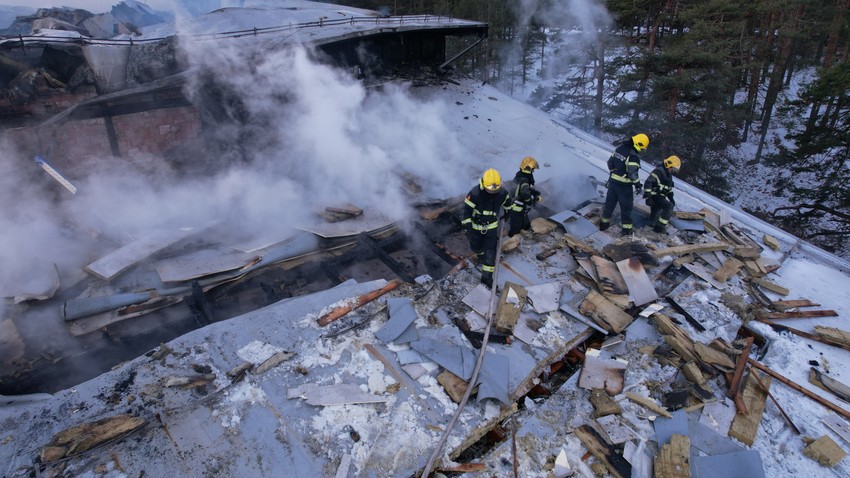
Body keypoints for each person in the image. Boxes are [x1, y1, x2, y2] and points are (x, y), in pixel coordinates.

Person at [462, 168, 511, 288]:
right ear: (483, 184)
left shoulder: (502, 193)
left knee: (490, 254)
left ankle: (486, 278)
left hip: (491, 228)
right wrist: (468, 226)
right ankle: (480, 254)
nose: (493, 192)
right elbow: (466, 211)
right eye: (490, 190)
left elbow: (508, 203)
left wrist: (507, 212)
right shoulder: (475, 194)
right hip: (475, 228)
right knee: (476, 248)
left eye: (495, 190)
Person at [599, 133, 649, 235]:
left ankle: (603, 225)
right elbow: (632, 173)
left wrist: (614, 172)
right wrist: (638, 184)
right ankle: (627, 231)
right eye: (642, 148)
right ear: (638, 144)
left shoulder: (620, 148)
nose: (642, 150)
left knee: (609, 206)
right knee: (626, 209)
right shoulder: (633, 156)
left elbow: (610, 162)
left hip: (613, 183)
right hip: (624, 187)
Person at [644, 155, 681, 233]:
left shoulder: (668, 175)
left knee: (653, 219)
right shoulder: (658, 172)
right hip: (654, 196)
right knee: (669, 206)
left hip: (660, 197)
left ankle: (651, 226)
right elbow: (648, 182)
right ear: (669, 165)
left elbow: (668, 188)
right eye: (673, 169)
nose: (673, 171)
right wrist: (648, 196)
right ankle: (660, 228)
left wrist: (671, 199)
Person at [507, 156, 542, 236]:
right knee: (516, 229)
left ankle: (523, 232)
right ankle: (511, 240)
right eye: (533, 169)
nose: (533, 171)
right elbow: (525, 194)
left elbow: (521, 189)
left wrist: (532, 192)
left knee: (525, 225)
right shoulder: (525, 180)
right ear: (528, 168)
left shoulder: (520, 176)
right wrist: (534, 199)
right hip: (516, 209)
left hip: (517, 207)